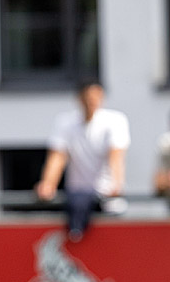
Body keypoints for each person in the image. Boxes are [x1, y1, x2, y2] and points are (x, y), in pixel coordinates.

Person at [35, 81, 130, 241]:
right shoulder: (65, 122)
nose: (92, 102)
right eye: (88, 98)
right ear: (79, 99)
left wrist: (116, 184)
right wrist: (47, 184)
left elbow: (116, 156)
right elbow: (57, 157)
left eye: (95, 97)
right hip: (77, 198)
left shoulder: (115, 121)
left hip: (108, 200)